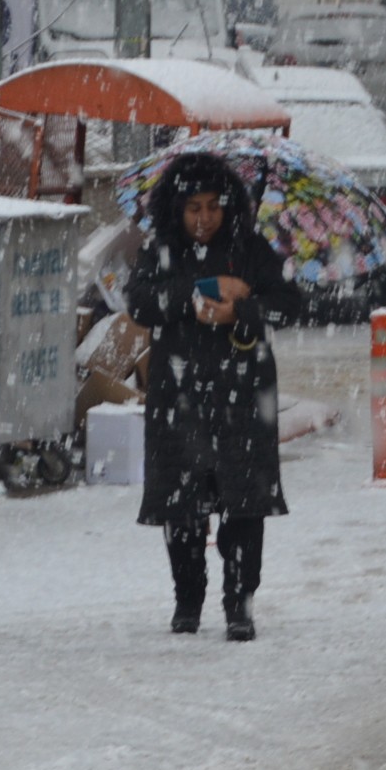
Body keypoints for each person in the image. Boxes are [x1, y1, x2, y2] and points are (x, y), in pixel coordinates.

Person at [127, 152, 304, 641]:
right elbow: (140, 303)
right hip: (177, 397)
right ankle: (188, 599)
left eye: (212, 207)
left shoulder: (250, 249)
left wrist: (241, 311)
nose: (203, 219)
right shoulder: (160, 249)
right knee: (181, 508)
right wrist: (192, 295)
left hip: (243, 398)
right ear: (175, 210)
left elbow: (290, 305)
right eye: (192, 209)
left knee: (244, 507)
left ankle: (238, 603)